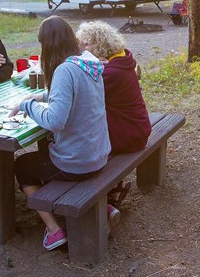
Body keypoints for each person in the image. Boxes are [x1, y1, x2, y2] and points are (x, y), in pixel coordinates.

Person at [10, 16, 111, 251]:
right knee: (46, 146)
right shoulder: (87, 63)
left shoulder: (65, 70)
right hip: (98, 154)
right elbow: (77, 94)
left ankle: (54, 230)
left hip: (78, 163)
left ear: (48, 44)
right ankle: (102, 206)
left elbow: (55, 121)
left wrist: (27, 106)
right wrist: (40, 97)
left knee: (23, 165)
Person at [76, 21, 152, 206]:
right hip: (136, 127)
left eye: (86, 44)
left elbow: (80, 99)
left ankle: (94, 195)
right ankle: (113, 189)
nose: (82, 49)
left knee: (78, 140)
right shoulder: (121, 59)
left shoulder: (111, 72)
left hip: (129, 135)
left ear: (101, 44)